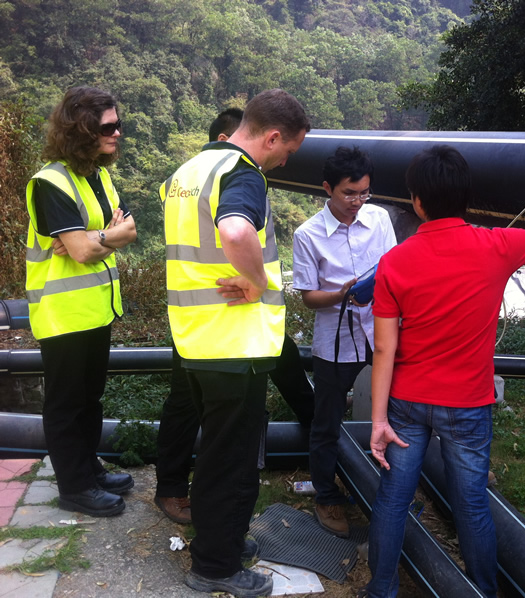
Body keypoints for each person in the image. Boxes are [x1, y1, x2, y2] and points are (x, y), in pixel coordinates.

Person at [364, 145, 525, 598]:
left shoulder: (393, 262)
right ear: (466, 198)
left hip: (406, 402)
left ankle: (380, 591)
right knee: (472, 505)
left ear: (417, 201)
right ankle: (483, 591)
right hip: (467, 403)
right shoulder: (498, 245)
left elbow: (384, 348)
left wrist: (378, 420)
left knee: (393, 501)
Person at [161, 89, 310, 598]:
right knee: (232, 461)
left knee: (216, 454)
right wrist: (258, 281)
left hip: (197, 339)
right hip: (235, 344)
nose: (284, 161)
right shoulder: (242, 173)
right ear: (271, 136)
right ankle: (216, 567)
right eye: (287, 151)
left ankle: (218, 543)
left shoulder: (187, 172)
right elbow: (235, 230)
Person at [24, 86, 138, 517]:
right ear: (81, 130)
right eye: (108, 127)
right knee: (66, 404)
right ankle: (74, 487)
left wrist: (94, 237)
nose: (117, 133)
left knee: (90, 399)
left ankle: (89, 469)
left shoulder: (98, 176)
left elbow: (129, 230)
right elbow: (85, 250)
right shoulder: (50, 183)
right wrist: (102, 237)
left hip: (96, 309)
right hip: (62, 313)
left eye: (117, 125)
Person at [292, 146, 397, 538]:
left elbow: (394, 268)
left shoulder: (379, 218)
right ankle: (326, 496)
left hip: (382, 328)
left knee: (404, 407)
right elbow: (309, 297)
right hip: (336, 337)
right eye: (349, 193)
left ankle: (398, 484)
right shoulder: (308, 235)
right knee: (327, 421)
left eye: (364, 192)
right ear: (327, 189)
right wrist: (341, 294)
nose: (357, 201)